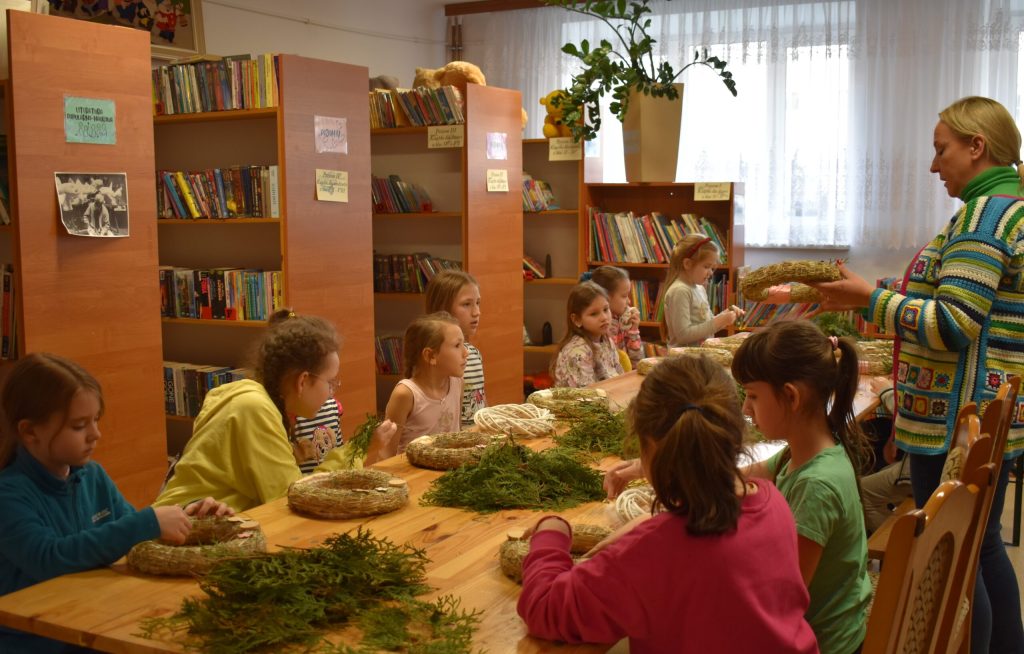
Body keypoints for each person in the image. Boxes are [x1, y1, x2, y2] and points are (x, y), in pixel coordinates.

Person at [814, 96, 1024, 653]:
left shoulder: (985, 216)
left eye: (941, 149)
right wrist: (870, 294)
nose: (934, 165)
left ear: (977, 146)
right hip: (978, 414)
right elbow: (955, 298)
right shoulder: (1006, 208)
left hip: (956, 418)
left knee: (955, 556)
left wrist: (871, 299)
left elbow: (953, 323)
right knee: (982, 547)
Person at [518, 355, 818, 654]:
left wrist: (552, 532)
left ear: (647, 445)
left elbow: (545, 608)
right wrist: (651, 526)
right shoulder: (772, 501)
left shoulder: (653, 550)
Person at [0, 353, 230, 653]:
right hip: (37, 641)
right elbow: (50, 558)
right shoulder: (9, 494)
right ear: (30, 431)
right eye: (79, 426)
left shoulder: (92, 475)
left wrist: (189, 516)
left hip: (92, 623)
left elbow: (131, 537)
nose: (95, 435)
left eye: (95, 420)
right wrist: (148, 522)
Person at [155, 309, 397, 511]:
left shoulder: (257, 400)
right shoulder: (254, 408)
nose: (332, 392)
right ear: (303, 381)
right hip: (184, 530)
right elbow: (292, 497)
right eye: (330, 382)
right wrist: (359, 449)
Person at [731, 321, 872, 654]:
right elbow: (739, 477)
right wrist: (659, 467)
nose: (745, 409)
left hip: (825, 644)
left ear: (791, 396)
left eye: (753, 395)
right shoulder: (806, 451)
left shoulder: (816, 486)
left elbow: (782, 600)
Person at [380, 312, 467, 458]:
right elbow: (386, 453)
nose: (466, 352)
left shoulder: (458, 383)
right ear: (430, 356)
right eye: (457, 345)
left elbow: (457, 436)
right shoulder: (405, 394)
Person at [425, 270, 486, 426]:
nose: (476, 312)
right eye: (466, 304)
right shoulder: (436, 358)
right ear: (443, 309)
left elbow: (481, 402)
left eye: (478, 303)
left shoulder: (473, 354)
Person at [661, 234, 743, 347]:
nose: (711, 273)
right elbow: (683, 335)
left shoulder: (699, 289)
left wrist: (725, 315)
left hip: (700, 354)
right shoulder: (679, 291)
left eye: (712, 268)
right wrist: (719, 321)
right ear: (687, 264)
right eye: (706, 267)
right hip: (684, 356)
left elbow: (707, 325)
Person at [551, 281, 624, 387]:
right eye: (594, 314)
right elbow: (588, 394)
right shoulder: (577, 353)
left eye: (605, 309)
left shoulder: (606, 340)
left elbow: (619, 377)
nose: (604, 317)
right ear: (576, 320)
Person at [583, 266, 644, 369]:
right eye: (624, 296)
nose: (629, 301)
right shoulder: (598, 328)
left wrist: (634, 331)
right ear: (606, 297)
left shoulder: (623, 320)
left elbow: (637, 362)